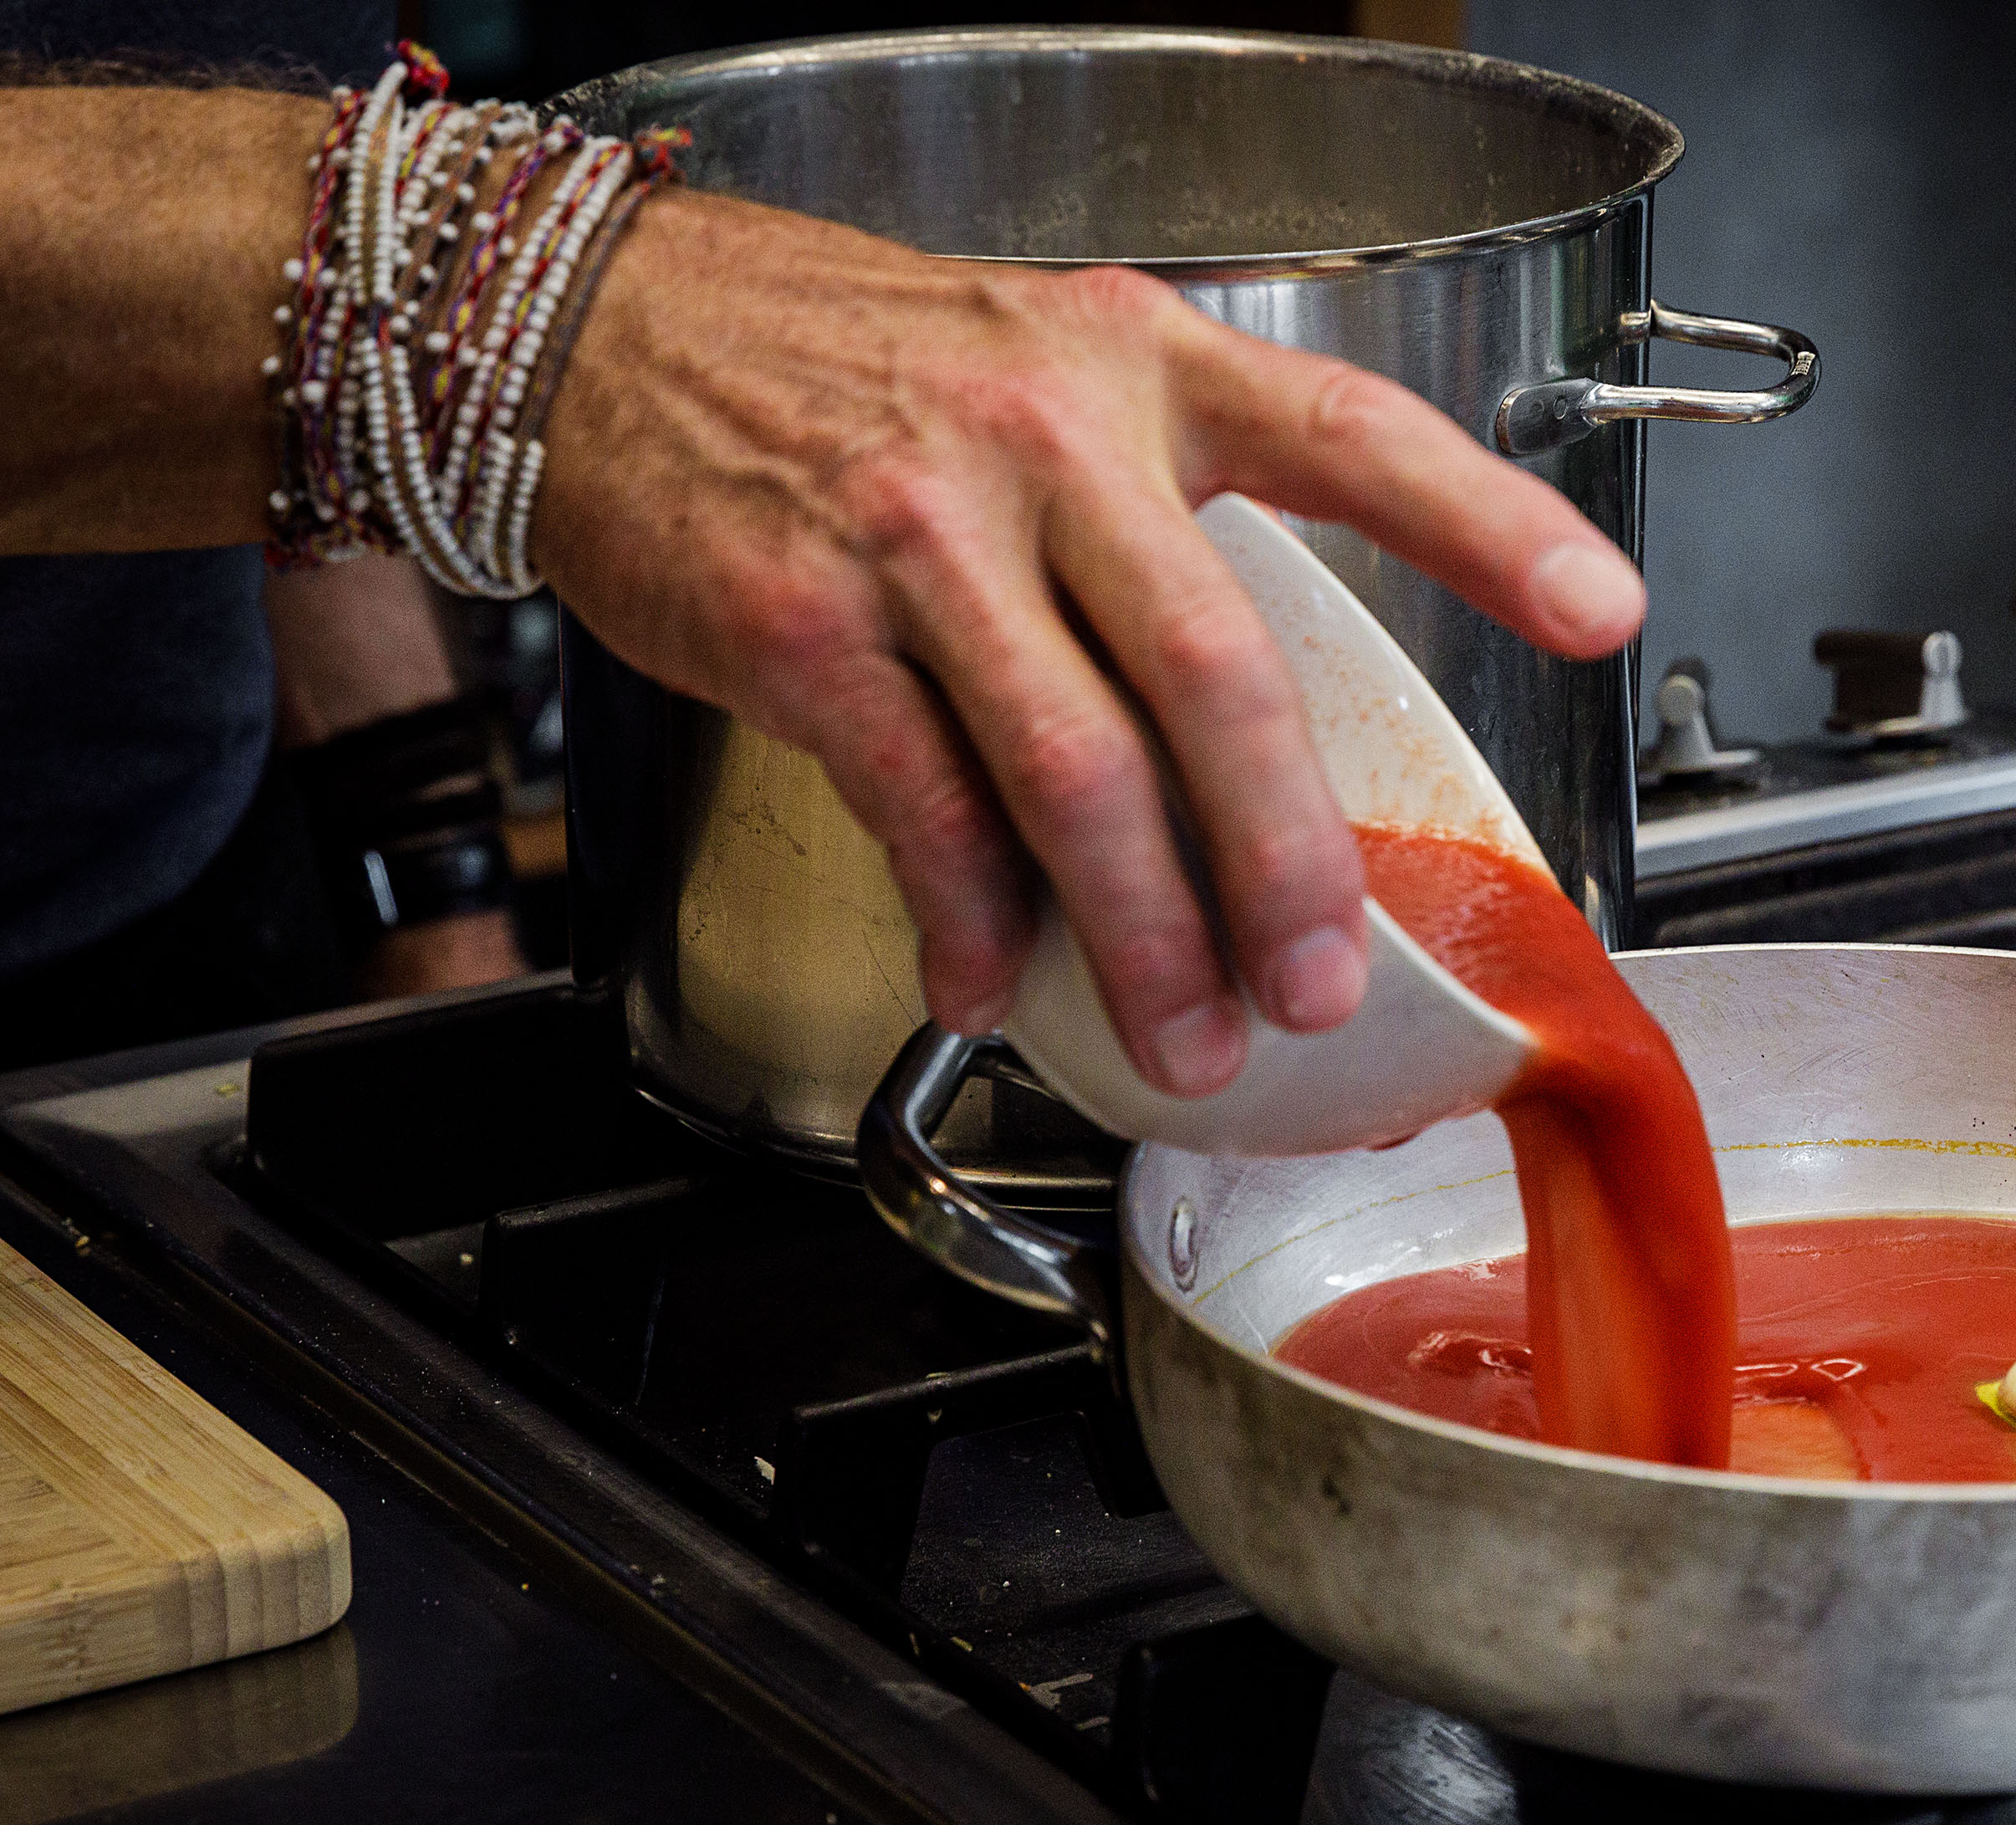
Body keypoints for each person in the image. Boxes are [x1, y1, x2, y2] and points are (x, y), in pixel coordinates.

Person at [0, 21, 1647, 1093]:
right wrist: (542, 321)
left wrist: (421, 869)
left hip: (165, 914)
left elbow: (301, 348)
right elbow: (366, 293)